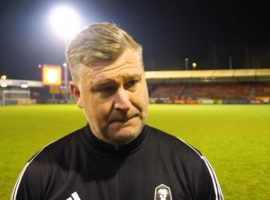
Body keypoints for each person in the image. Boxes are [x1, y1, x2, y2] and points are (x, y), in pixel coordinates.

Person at [11, 22, 223, 200]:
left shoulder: (192, 166)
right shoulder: (39, 175)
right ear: (78, 95)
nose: (124, 103)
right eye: (105, 88)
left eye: (132, 83)